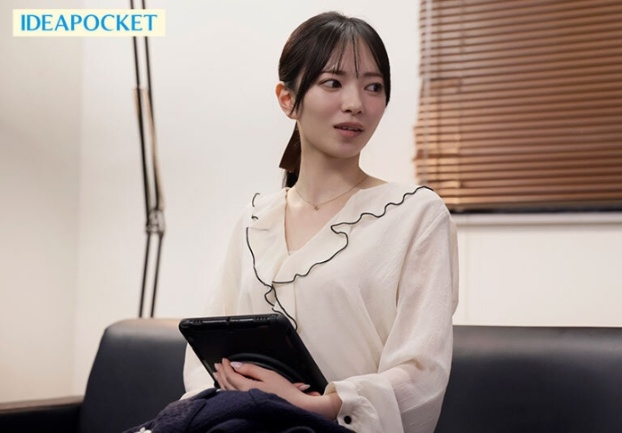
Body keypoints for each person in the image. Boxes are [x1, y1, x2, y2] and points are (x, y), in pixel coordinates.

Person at [182, 11, 459, 433]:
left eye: (373, 87)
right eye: (333, 83)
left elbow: (422, 374)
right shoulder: (254, 221)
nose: (356, 103)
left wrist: (318, 406)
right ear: (287, 98)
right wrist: (237, 393)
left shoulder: (416, 214)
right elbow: (203, 360)